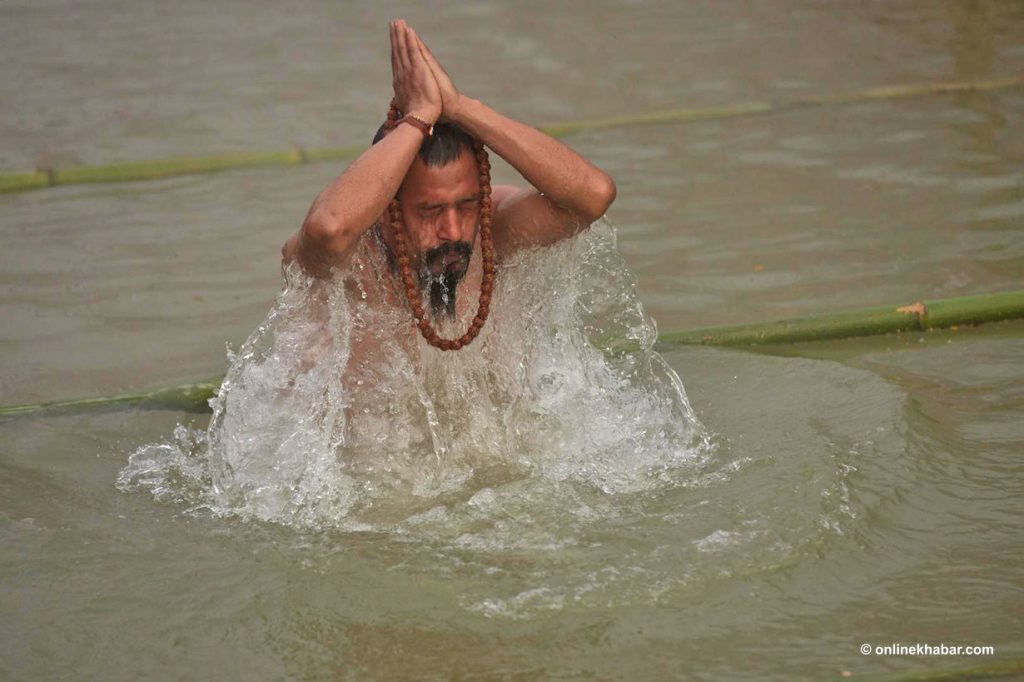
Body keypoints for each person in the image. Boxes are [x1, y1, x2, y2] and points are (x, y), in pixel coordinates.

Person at [280, 19, 616, 351]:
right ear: (385, 210)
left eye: (467, 205)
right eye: (430, 210)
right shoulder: (347, 262)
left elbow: (592, 196)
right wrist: (419, 116)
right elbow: (328, 228)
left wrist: (461, 108)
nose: (454, 231)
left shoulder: (492, 230)